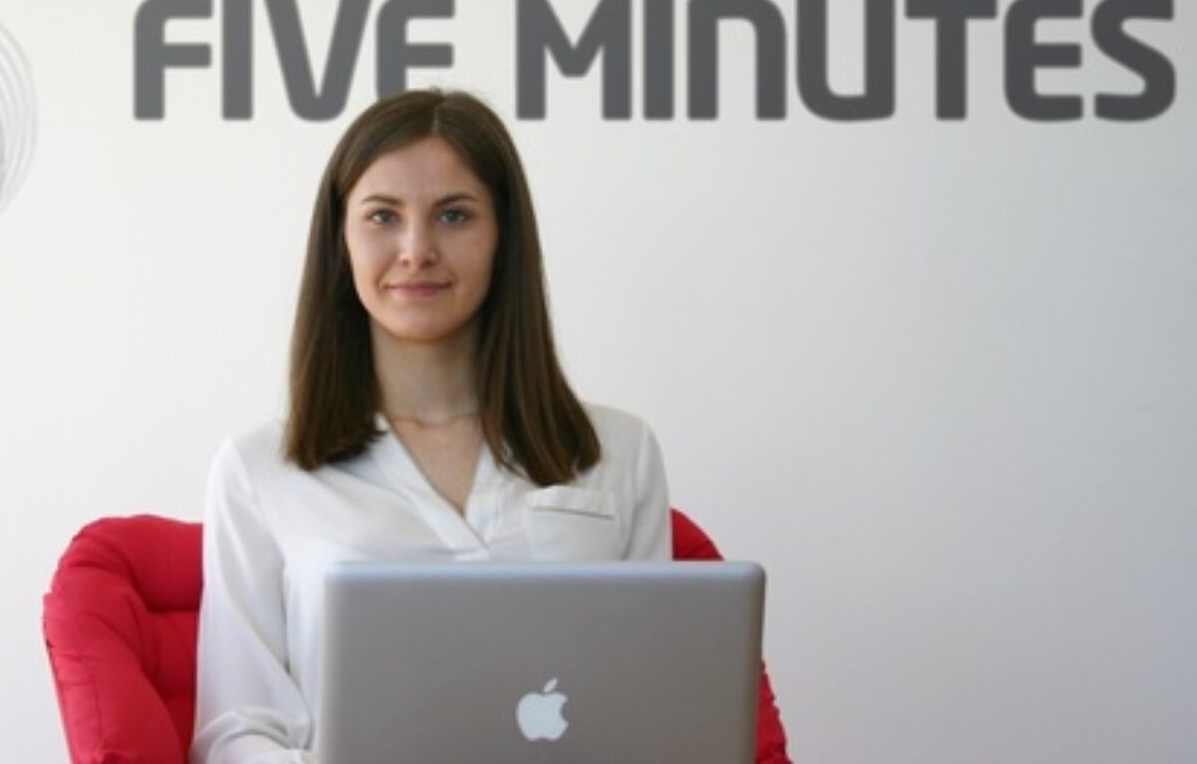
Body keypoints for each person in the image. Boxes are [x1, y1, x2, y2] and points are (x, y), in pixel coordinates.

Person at [190, 89, 783, 763]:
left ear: (504, 237)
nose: (416, 249)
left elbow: (647, 712)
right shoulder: (259, 470)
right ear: (341, 239)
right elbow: (237, 733)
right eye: (383, 216)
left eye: (454, 215)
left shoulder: (621, 453)